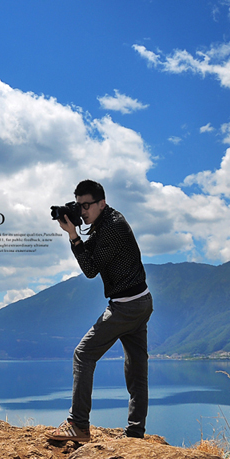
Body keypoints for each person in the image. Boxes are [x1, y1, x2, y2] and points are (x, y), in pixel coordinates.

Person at [48, 180, 153, 443]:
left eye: (86, 205)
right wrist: (74, 225)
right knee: (136, 370)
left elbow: (90, 269)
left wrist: (73, 236)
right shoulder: (107, 222)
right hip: (140, 301)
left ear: (101, 203)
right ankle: (135, 433)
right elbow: (90, 253)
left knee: (83, 354)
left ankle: (78, 425)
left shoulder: (112, 227)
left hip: (126, 306)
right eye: (79, 205)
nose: (82, 211)